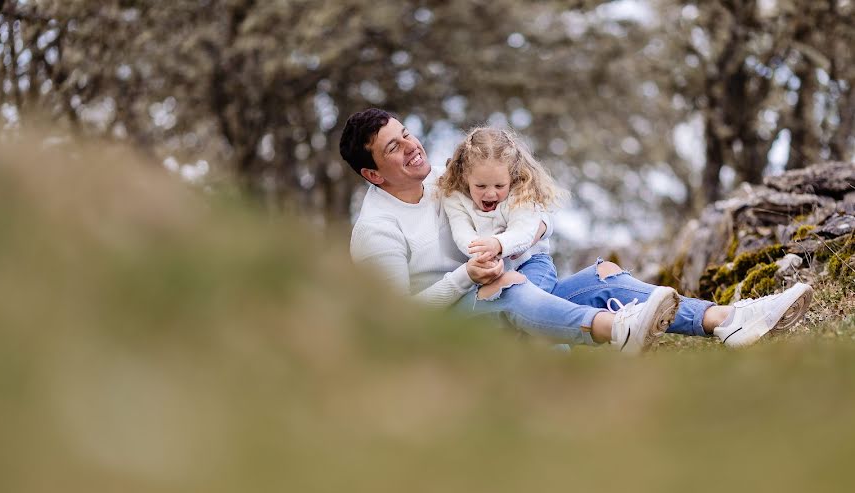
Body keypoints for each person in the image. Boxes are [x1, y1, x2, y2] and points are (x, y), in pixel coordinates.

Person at [339, 108, 813, 352]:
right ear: (373, 175)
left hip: (506, 292)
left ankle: (728, 322)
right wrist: (468, 276)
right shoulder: (377, 230)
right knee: (508, 285)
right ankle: (611, 331)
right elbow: (396, 322)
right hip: (448, 333)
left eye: (407, 135)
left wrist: (533, 225)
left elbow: (519, 203)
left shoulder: (445, 183)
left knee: (604, 276)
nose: (411, 148)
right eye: (393, 149)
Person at [437, 126, 569, 295]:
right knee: (498, 303)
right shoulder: (455, 196)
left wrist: (498, 244)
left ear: (512, 176)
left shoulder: (521, 191)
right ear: (465, 176)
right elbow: (461, 232)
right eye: (481, 186)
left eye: (500, 186)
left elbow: (524, 230)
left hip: (530, 263)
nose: (491, 193)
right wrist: (481, 254)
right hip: (490, 268)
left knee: (526, 298)